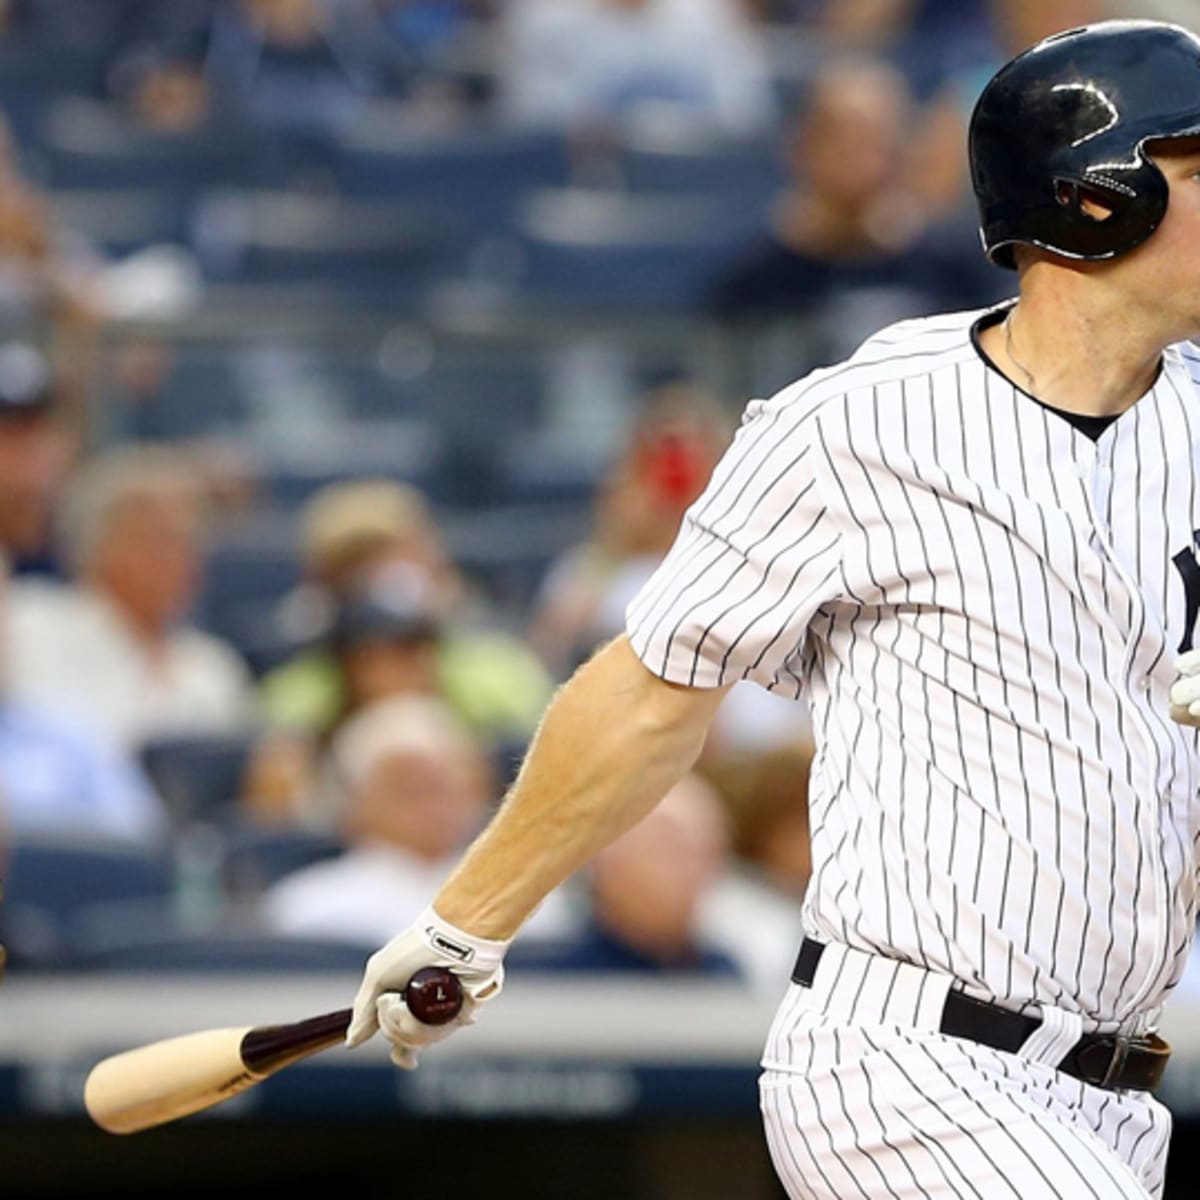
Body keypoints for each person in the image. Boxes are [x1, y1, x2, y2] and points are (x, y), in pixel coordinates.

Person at [342, 19, 1200, 1198]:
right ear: (1096, 199)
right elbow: (651, 693)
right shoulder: (860, 424)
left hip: (1115, 1090)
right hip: (910, 1065)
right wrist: (465, 923)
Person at [261, 693, 578, 945]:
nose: (433, 805)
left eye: (449, 785)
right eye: (409, 788)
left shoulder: (532, 905)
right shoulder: (309, 907)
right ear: (355, 800)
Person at [5, 445, 259, 750]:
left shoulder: (212, 665)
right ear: (98, 545)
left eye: (191, 541)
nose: (183, 559)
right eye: (161, 539)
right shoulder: (28, 622)